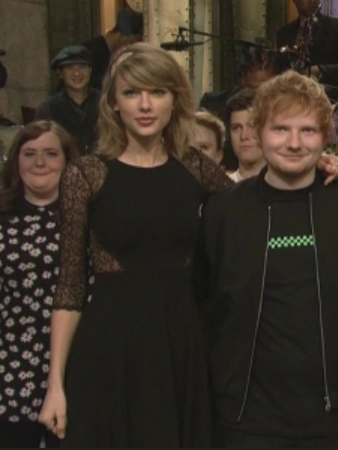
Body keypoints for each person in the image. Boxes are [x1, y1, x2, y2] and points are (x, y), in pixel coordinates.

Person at [37, 42, 235, 447]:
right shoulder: (86, 175)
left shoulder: (196, 168)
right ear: (113, 102)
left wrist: (321, 164)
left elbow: (254, 205)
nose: (145, 105)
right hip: (109, 350)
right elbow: (70, 287)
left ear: (174, 100)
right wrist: (54, 385)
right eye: (131, 93)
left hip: (179, 346)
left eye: (157, 92)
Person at [200, 70, 338, 448]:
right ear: (257, 132)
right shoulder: (223, 211)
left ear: (325, 136)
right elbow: (205, 306)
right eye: (281, 129)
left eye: (308, 131)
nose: (294, 143)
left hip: (335, 414)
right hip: (245, 416)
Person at [0, 121, 78, 448]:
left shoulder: (86, 219)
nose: (40, 162)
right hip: (12, 364)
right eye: (29, 154)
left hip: (77, 364)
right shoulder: (3, 218)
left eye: (50, 153)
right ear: (16, 161)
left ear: (67, 161)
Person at [275, 0, 338, 107]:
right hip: (293, 104)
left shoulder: (336, 27)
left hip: (329, 105)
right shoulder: (284, 33)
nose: (313, 1)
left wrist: (320, 70)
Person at [198, 44, 275, 170]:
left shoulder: (285, 111)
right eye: (252, 88)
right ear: (242, 80)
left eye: (265, 89)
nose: (258, 95)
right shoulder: (214, 105)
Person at [34, 46, 100, 154]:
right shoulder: (48, 108)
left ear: (90, 70)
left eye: (82, 66)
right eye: (69, 67)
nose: (77, 73)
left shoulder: (107, 102)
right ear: (60, 73)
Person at [81, 9, 144, 90]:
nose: (130, 46)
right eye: (131, 42)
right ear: (121, 37)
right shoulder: (92, 51)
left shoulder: (105, 50)